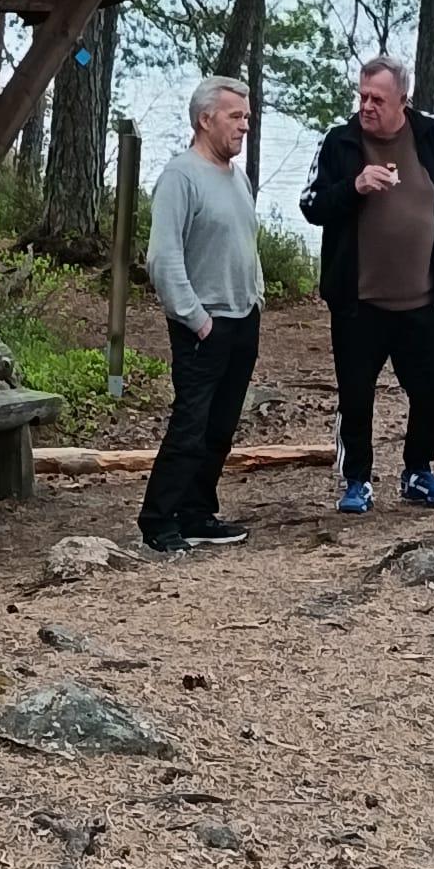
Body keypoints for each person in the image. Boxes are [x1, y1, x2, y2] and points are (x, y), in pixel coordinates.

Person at [300, 53, 434, 513]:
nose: (367, 106)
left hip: (423, 299)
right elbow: (311, 205)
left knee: (432, 389)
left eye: (377, 99)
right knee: (356, 396)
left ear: (402, 101)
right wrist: (353, 187)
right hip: (359, 303)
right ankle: (356, 480)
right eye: (362, 96)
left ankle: (418, 472)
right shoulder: (340, 142)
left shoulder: (429, 135)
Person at [138, 75, 264, 555]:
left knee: (220, 427)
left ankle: (196, 513)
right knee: (190, 425)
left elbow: (245, 243)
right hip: (203, 325)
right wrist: (196, 318)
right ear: (205, 119)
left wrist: (256, 297)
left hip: (243, 317)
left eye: (246, 117)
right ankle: (158, 520)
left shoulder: (237, 177)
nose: (244, 126)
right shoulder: (181, 177)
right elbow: (163, 258)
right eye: (235, 116)